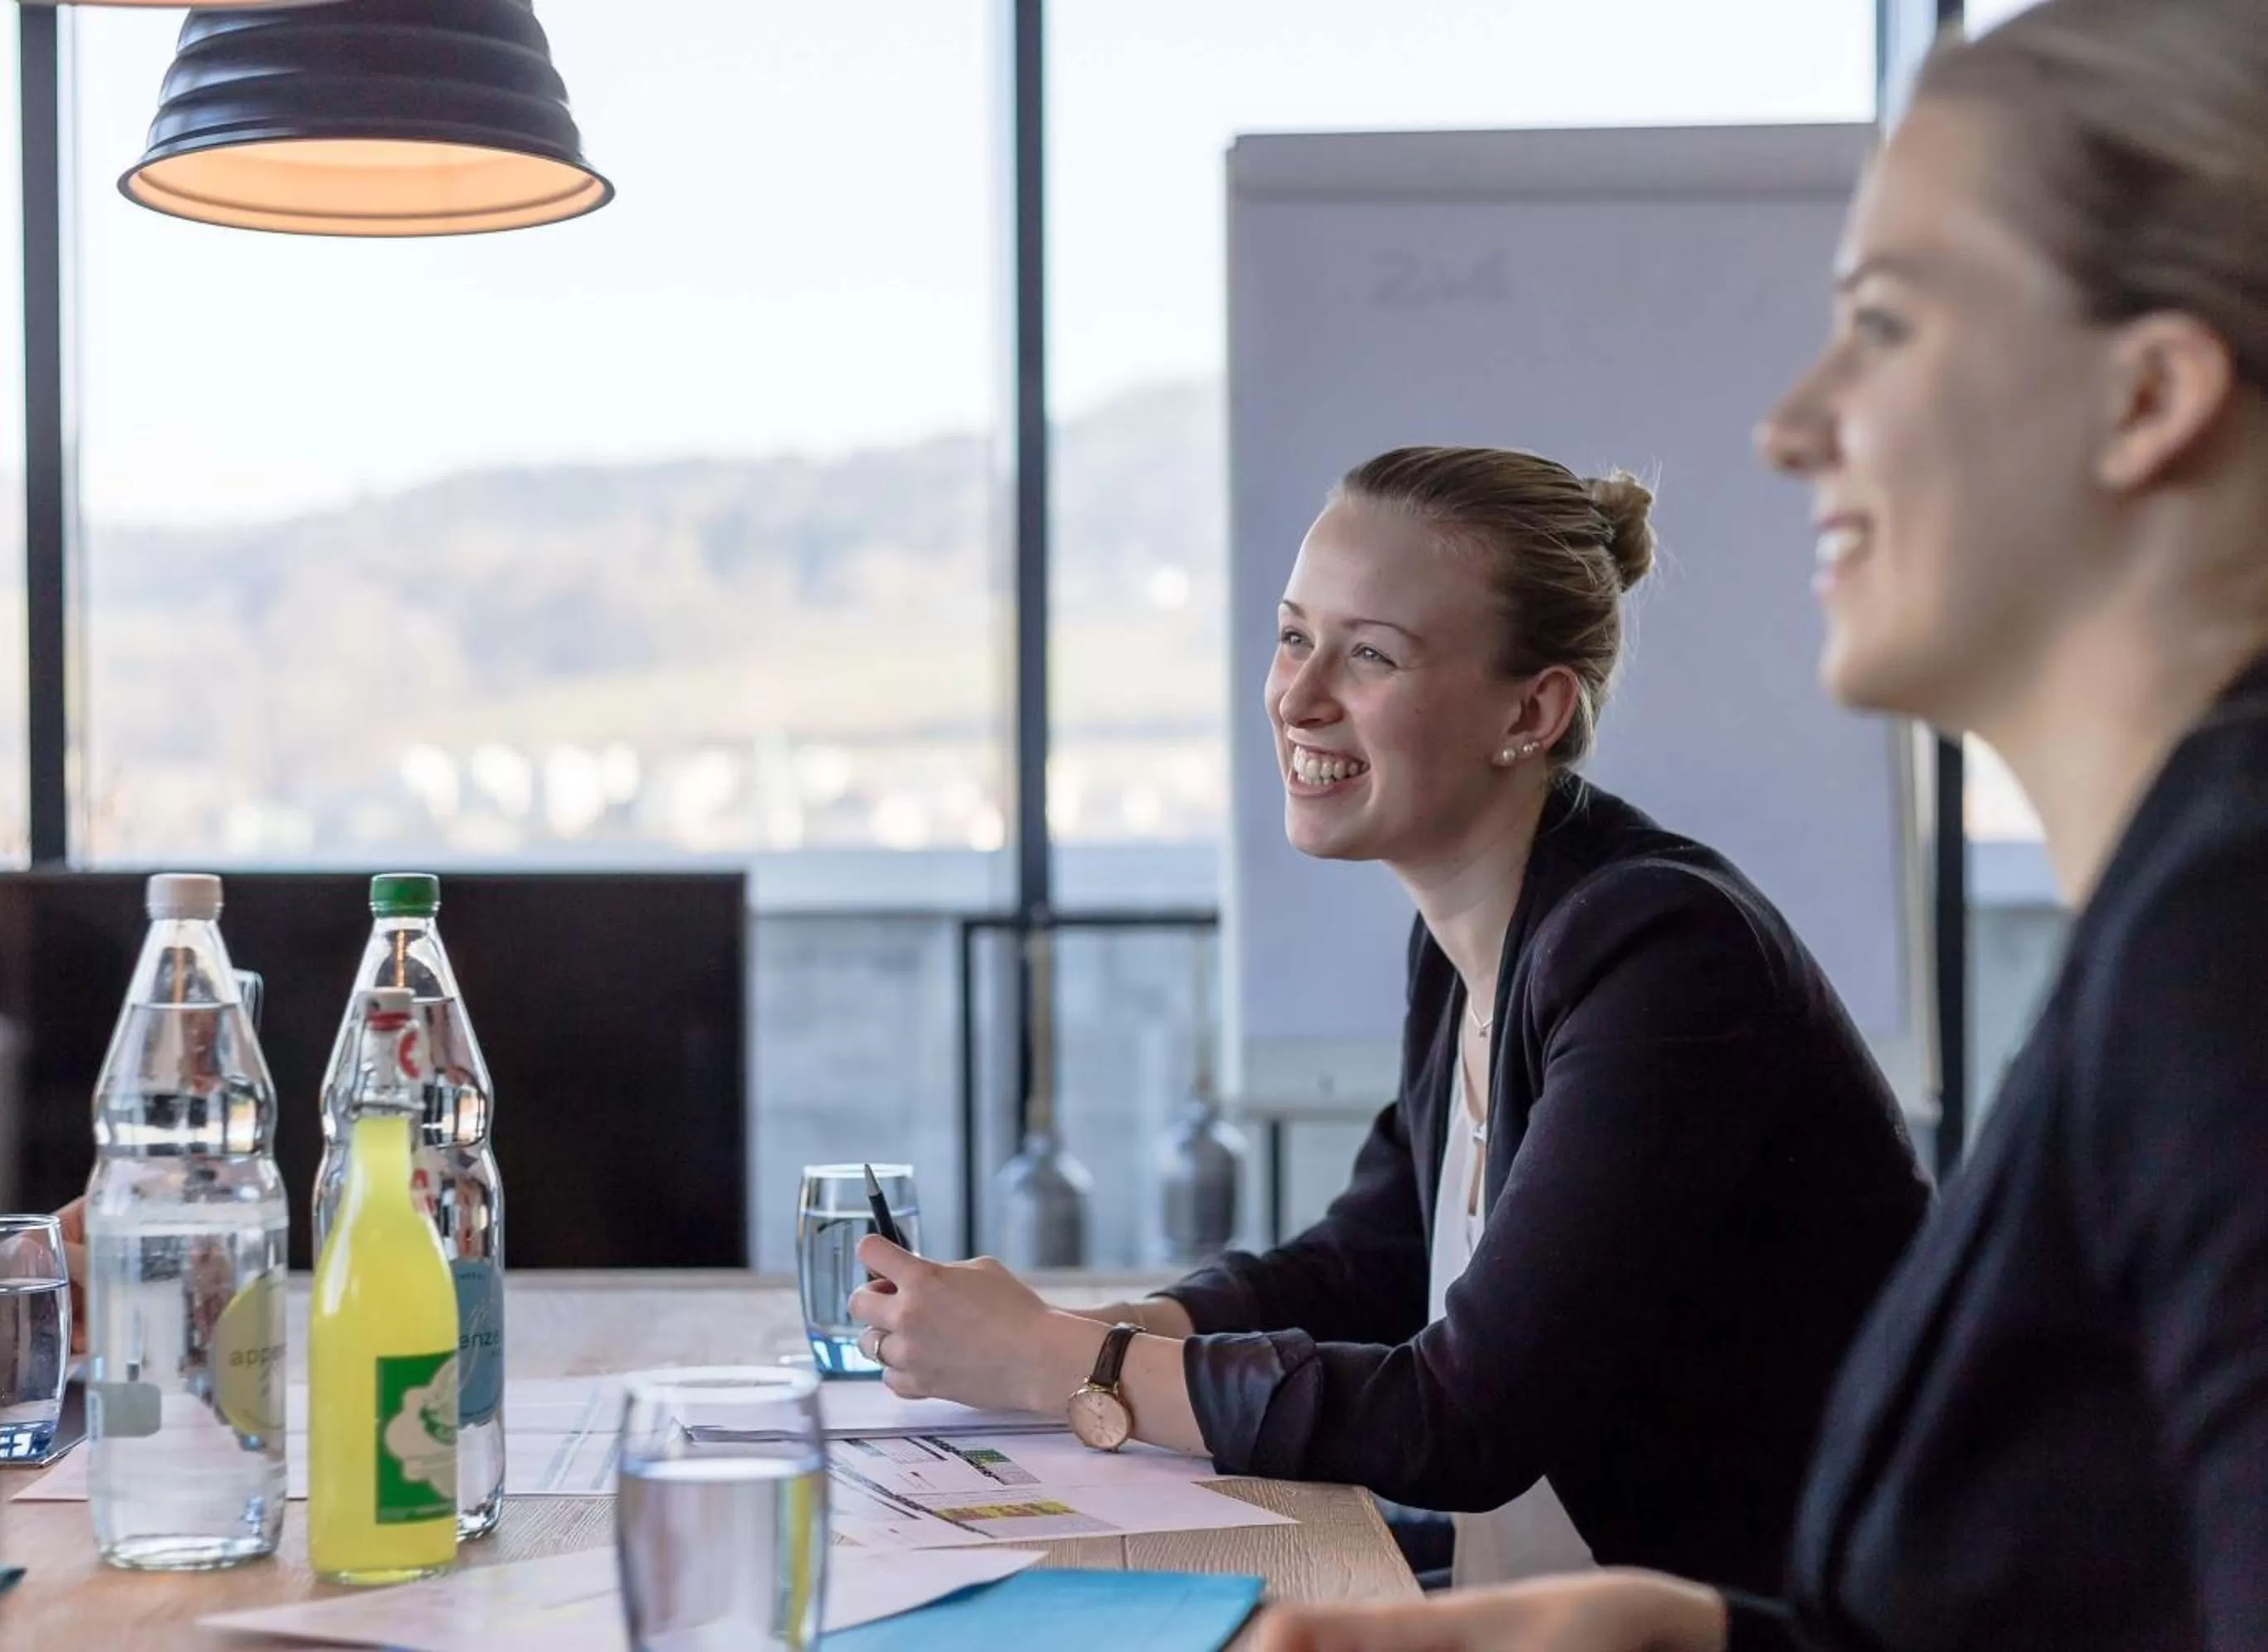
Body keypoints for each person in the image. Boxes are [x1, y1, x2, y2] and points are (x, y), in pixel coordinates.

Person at [1252, 2, 2268, 1647]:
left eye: (1884, 325)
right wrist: (1692, 1639)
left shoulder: (2228, 937)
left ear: (2147, 394)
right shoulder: (2177, 906)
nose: (1793, 428)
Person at [849, 444, 1929, 1596]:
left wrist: (1064, 1365)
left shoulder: (1662, 954)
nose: (1299, 695)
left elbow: (1462, 1417)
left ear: (1533, 709)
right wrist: (1105, 1329)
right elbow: (1367, 1261)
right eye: (1293, 635)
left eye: (1370, 655)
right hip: (1531, 1604)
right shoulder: (1476, 934)